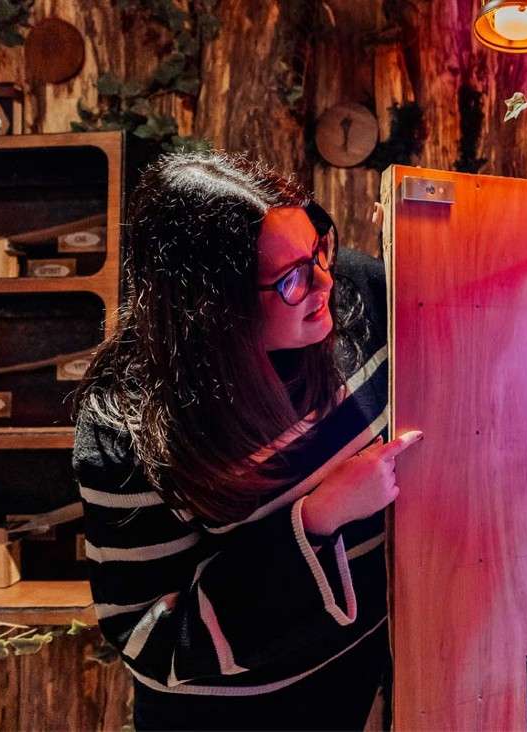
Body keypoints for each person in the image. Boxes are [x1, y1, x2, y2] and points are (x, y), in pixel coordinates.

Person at [70, 151, 422, 731]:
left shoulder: (347, 290)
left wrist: (426, 253)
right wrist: (315, 521)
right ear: (213, 310)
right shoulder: (125, 434)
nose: (324, 282)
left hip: (357, 676)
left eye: (320, 248)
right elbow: (149, 640)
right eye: (290, 279)